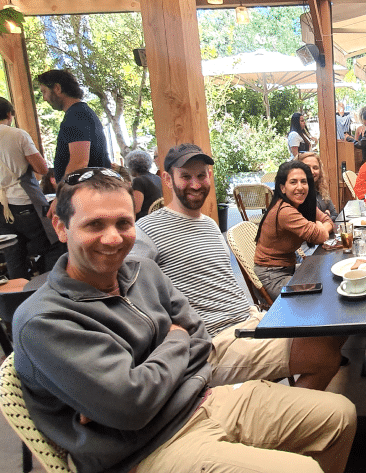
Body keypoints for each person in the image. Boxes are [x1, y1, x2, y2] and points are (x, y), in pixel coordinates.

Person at [12, 167, 356, 473]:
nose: (113, 238)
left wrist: (155, 372)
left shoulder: (141, 271)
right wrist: (175, 342)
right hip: (144, 449)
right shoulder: (44, 320)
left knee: (340, 415)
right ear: (60, 226)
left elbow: (200, 338)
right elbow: (132, 407)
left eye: (123, 223)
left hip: (202, 400)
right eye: (94, 225)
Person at [134, 143, 345, 390]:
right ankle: (273, 421)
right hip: (212, 344)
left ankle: (274, 406)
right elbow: (124, 297)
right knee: (326, 351)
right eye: (185, 177)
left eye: (201, 175)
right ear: (167, 179)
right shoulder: (147, 230)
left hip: (250, 321)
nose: (195, 184)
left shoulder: (211, 226)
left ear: (209, 176)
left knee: (336, 325)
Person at [0, 96, 62, 278]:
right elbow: (42, 168)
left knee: (13, 254)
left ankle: (19, 297)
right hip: (24, 201)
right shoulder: (17, 134)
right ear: (9, 114)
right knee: (53, 244)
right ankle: (49, 291)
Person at [254, 161, 334, 299]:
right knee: (318, 295)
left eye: (304, 182)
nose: (300, 187)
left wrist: (320, 227)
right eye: (293, 182)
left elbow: (328, 221)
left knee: (329, 276)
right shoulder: (285, 211)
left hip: (289, 268)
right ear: (283, 188)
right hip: (273, 276)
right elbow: (321, 236)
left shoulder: (301, 205)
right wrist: (319, 228)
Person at [36, 69, 111, 183]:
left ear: (57, 88)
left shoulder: (76, 115)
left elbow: (79, 162)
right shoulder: (80, 112)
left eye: (44, 91)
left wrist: (63, 192)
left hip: (87, 192)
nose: (44, 98)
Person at [298, 151, 338, 220]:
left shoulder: (321, 190)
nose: (312, 172)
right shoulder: (298, 194)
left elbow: (334, 214)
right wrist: (327, 214)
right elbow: (311, 222)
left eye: (315, 168)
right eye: (307, 167)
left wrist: (325, 218)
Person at [125, 149, 162, 219]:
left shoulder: (138, 181)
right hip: (157, 217)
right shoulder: (157, 178)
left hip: (144, 221)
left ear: (132, 166)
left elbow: (136, 209)